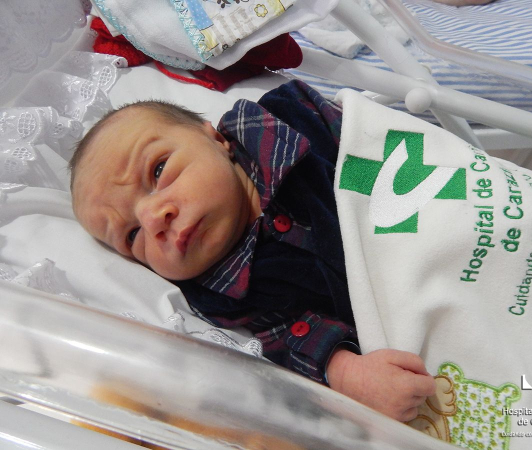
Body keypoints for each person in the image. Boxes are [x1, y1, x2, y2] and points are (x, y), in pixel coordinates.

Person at [70, 80, 436, 422]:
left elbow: (379, 139)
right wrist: (348, 372)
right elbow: (290, 335)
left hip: (433, 214)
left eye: (158, 170)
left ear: (216, 138)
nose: (154, 220)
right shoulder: (224, 295)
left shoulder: (288, 122)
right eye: (132, 235)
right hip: (416, 313)